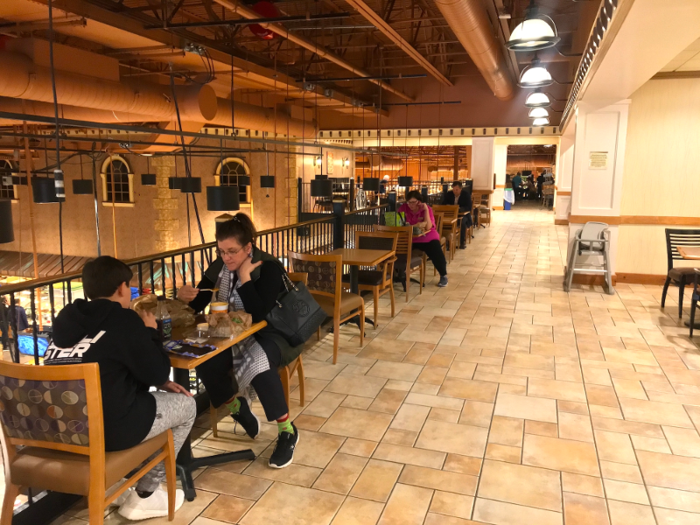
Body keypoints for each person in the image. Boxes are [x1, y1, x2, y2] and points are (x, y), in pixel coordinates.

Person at [44, 256, 196, 521]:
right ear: (122, 288)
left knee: (125, 400)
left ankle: (118, 484)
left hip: (63, 430)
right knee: (187, 405)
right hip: (108, 431)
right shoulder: (124, 320)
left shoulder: (66, 321)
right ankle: (146, 495)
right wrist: (151, 331)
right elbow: (159, 372)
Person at [177, 214, 301, 469]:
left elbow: (258, 313)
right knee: (204, 360)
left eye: (232, 251)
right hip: (233, 333)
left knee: (259, 361)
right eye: (221, 252)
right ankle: (237, 407)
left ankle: (287, 430)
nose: (226, 258)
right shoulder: (220, 269)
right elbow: (199, 302)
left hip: (272, 332)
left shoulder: (267, 267)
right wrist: (185, 296)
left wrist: (245, 278)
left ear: (248, 247)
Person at [398, 191, 448, 287]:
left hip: (426, 237)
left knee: (435, 249)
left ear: (419, 202)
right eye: (408, 202)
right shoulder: (403, 208)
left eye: (413, 202)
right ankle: (398, 274)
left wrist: (425, 210)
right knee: (396, 247)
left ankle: (443, 275)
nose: (410, 205)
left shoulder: (426, 209)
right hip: (409, 238)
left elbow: (429, 227)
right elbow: (399, 224)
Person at [442, 181, 472, 249]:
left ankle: (462, 242)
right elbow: (443, 204)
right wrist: (448, 206)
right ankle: (446, 241)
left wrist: (460, 209)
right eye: (453, 189)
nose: (455, 191)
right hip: (451, 215)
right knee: (443, 222)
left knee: (463, 222)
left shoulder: (466, 195)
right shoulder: (449, 194)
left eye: (457, 189)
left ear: (460, 189)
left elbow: (469, 207)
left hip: (462, 215)